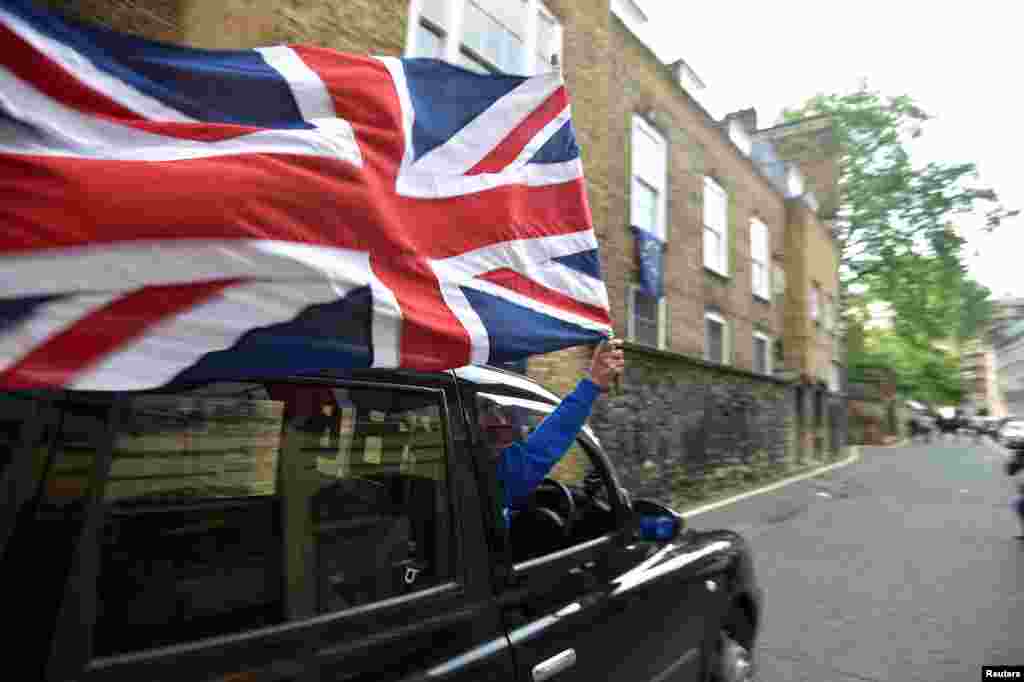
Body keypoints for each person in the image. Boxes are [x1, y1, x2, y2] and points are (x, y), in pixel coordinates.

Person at [480, 339, 625, 527]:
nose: (501, 421)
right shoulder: (491, 478)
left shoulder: (448, 478)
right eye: (485, 409)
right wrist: (592, 384)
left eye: (499, 410)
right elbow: (544, 445)